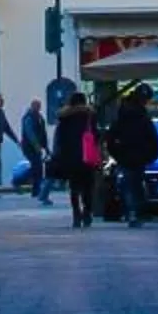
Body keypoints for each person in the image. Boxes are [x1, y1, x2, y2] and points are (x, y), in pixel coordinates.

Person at [108, 84, 158, 227]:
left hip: (125, 154)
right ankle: (135, 212)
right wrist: (151, 154)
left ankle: (132, 212)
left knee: (130, 184)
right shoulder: (142, 115)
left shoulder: (122, 113)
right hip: (138, 154)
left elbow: (111, 136)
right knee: (135, 184)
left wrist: (116, 152)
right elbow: (152, 137)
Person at [51, 90, 99, 225]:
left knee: (74, 188)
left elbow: (59, 138)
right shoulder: (90, 115)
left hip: (70, 157)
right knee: (88, 187)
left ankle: (76, 214)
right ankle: (87, 213)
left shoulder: (64, 117)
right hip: (87, 156)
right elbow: (96, 135)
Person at [19, 96, 50, 198]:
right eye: (36, 106)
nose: (38, 108)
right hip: (29, 147)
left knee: (37, 167)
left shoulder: (39, 117)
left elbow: (43, 133)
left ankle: (36, 190)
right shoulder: (29, 118)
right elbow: (30, 134)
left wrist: (46, 147)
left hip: (35, 147)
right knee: (37, 167)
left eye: (39, 106)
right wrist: (37, 146)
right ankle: (32, 187)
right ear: (32, 106)